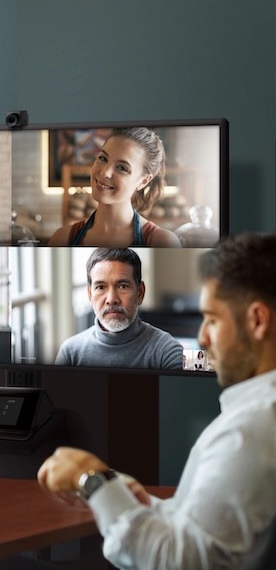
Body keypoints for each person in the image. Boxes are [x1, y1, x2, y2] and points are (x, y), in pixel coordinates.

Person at [38, 233, 276, 569]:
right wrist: (123, 493)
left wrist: (91, 479)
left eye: (212, 319)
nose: (203, 338)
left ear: (256, 321)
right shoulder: (252, 419)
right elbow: (196, 528)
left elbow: (181, 561)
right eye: (100, 287)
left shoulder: (249, 432)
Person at [48, 127, 182, 247]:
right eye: (103, 158)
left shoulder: (162, 242)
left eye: (122, 168)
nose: (105, 172)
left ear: (143, 181)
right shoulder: (62, 239)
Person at [55, 247, 183, 370]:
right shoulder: (70, 353)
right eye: (100, 287)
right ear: (90, 294)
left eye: (123, 286)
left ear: (140, 293)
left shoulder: (167, 351)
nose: (111, 299)